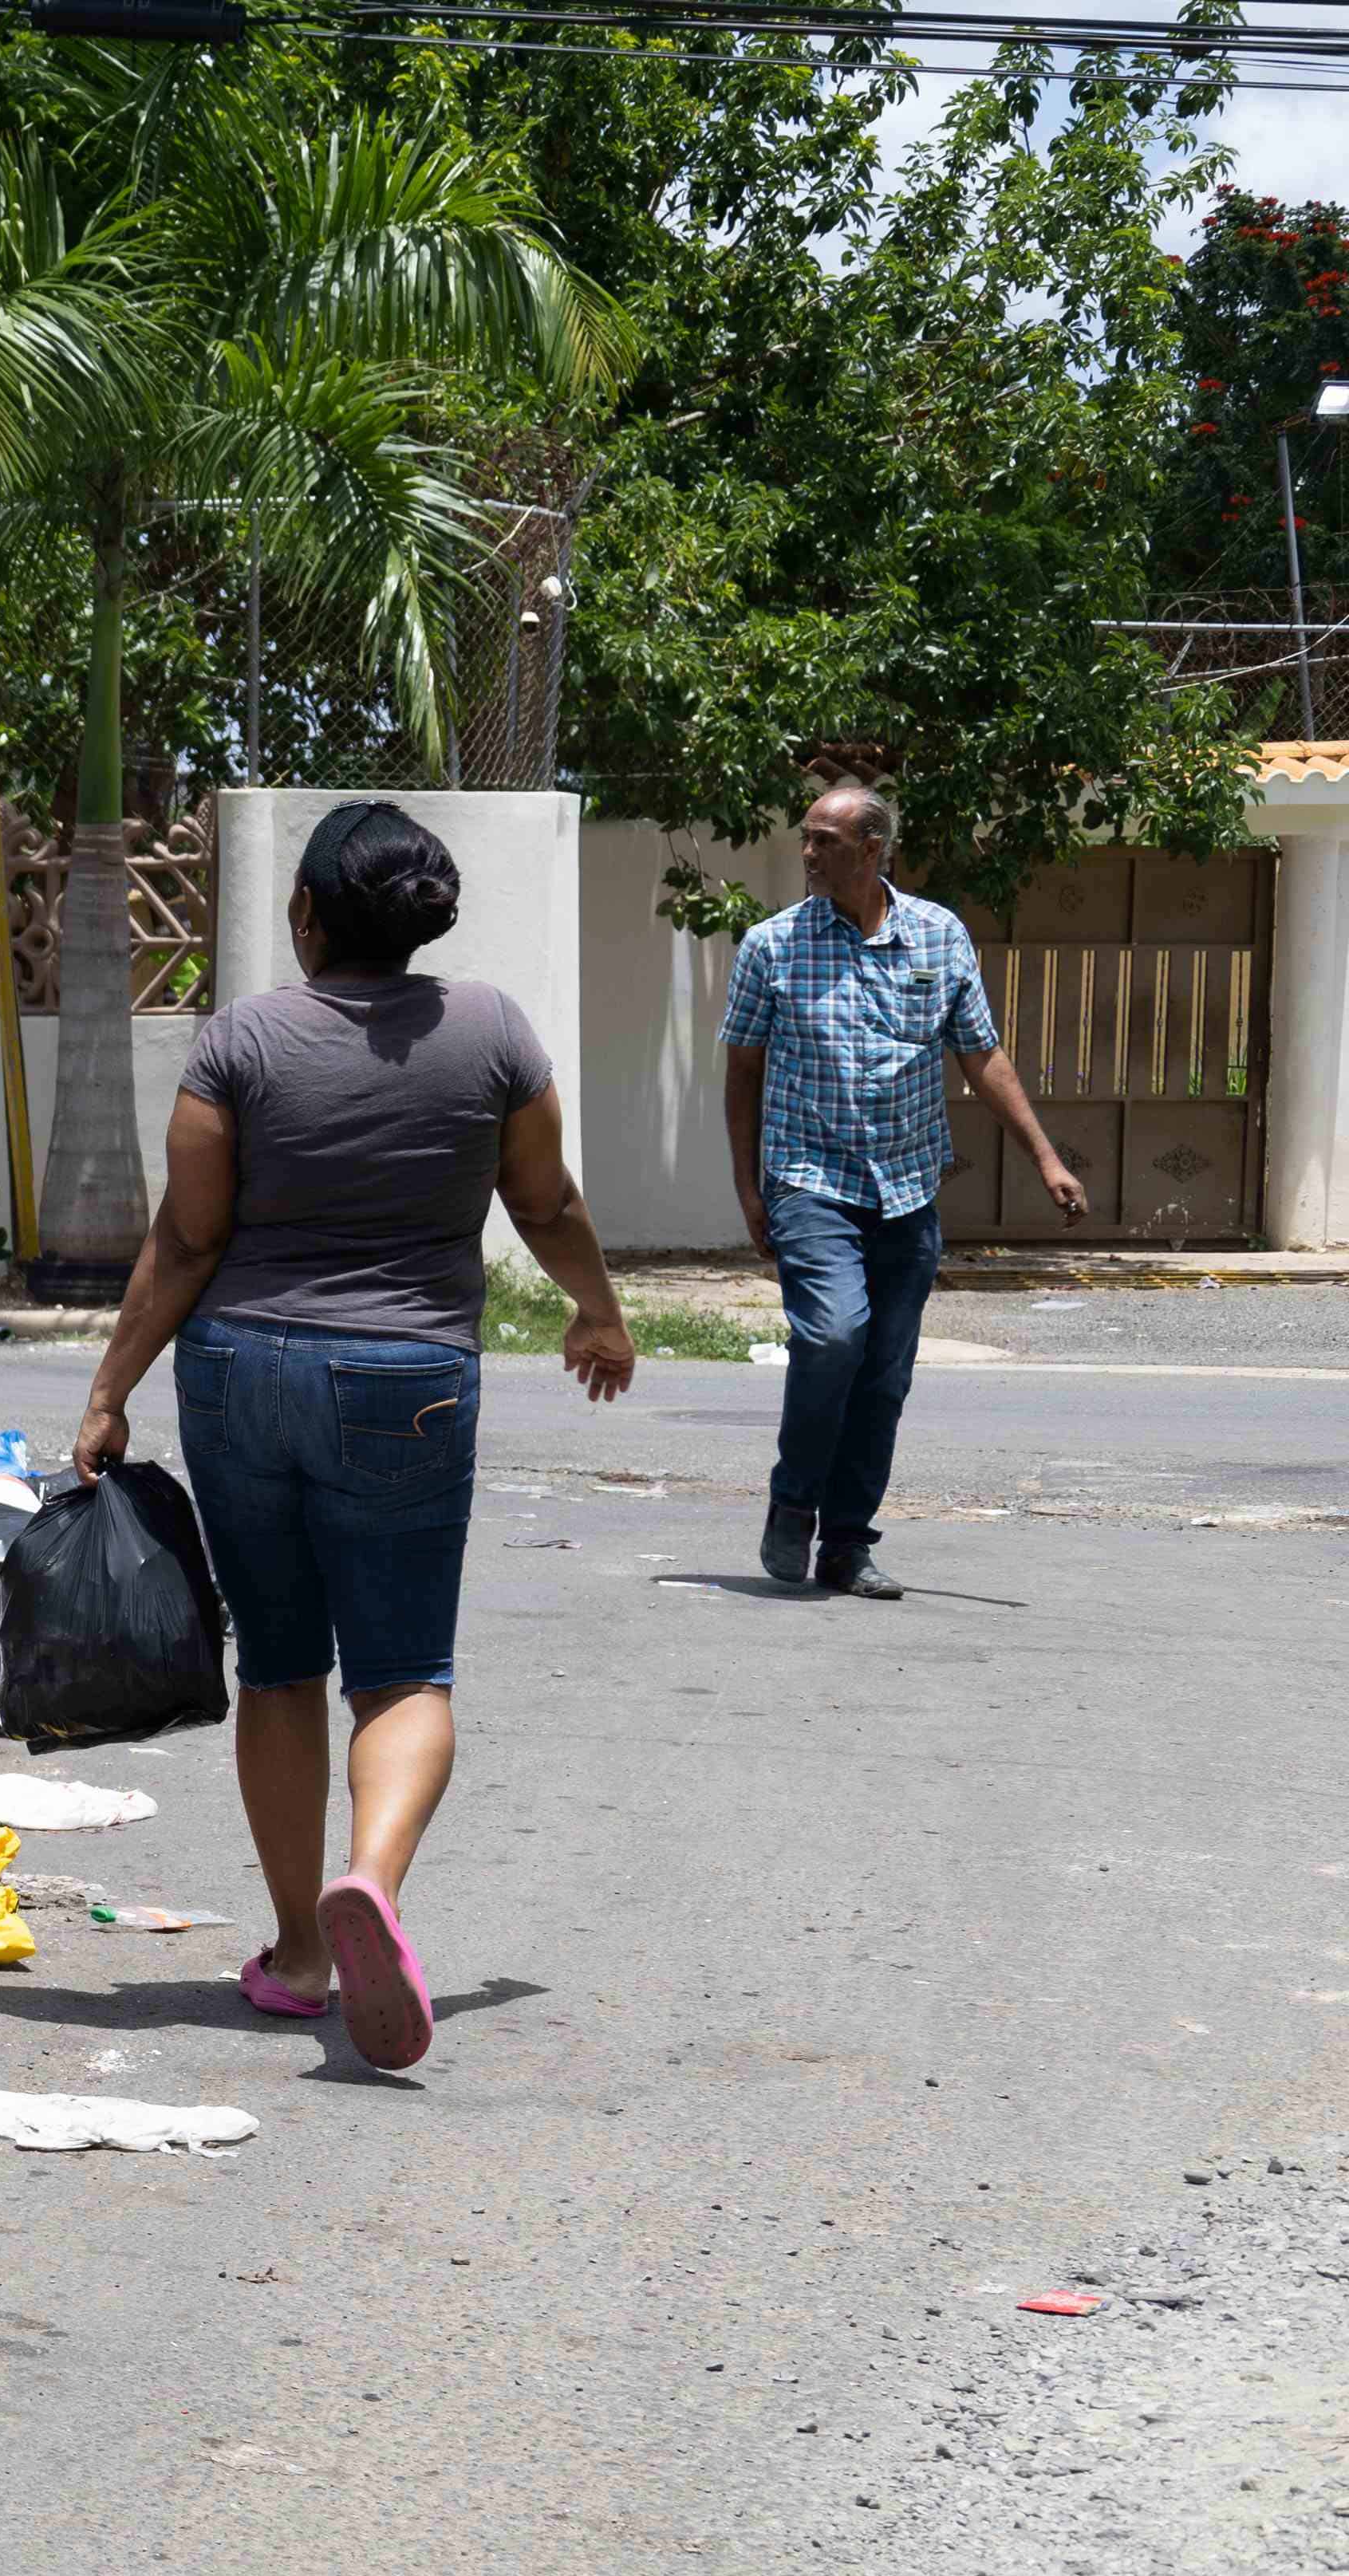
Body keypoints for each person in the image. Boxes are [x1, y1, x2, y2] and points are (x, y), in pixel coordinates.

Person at [71, 802, 636, 2072]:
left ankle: (301, 1950)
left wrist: (110, 1387)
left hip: (240, 1373)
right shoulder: (490, 1030)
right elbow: (542, 1201)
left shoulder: (240, 1042)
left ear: (310, 916)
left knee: (279, 1666)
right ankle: (370, 1881)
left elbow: (188, 1237)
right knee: (402, 1673)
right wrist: (599, 1311)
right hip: (409, 1377)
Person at [718, 779, 1089, 1597]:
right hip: (809, 1180)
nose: (808, 853)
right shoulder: (772, 946)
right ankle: (793, 1501)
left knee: (884, 1374)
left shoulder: (939, 936)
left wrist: (1045, 1158)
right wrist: (749, 1189)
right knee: (833, 1336)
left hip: (907, 1189)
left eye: (826, 841)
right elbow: (742, 1073)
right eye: (806, 837)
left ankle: (847, 1544)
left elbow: (981, 1056)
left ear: (873, 849)